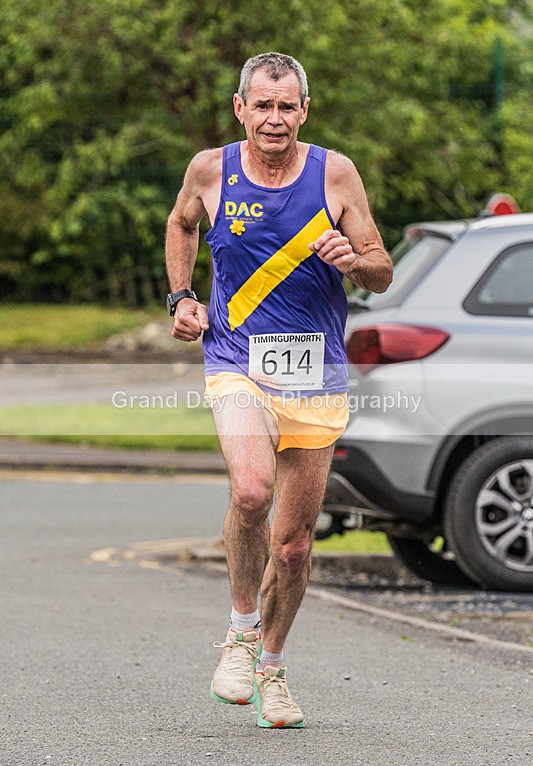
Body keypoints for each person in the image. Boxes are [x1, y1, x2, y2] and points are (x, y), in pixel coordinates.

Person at [165, 52, 392, 728]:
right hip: (235, 358)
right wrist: (181, 295)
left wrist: (355, 261)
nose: (273, 118)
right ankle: (239, 632)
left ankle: (270, 666)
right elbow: (181, 223)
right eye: (261, 105)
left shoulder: (336, 172)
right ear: (241, 109)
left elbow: (380, 270)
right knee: (250, 491)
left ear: (302, 110)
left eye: (285, 106)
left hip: (313, 372)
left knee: (292, 545)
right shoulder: (211, 169)